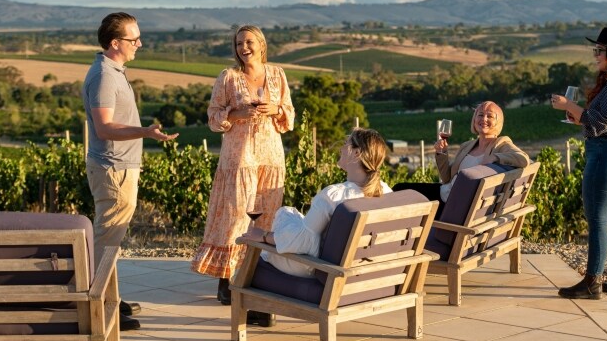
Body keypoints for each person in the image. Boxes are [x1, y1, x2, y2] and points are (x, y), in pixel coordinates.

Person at [82, 12, 179, 331]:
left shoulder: (114, 71)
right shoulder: (105, 76)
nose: (139, 43)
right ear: (115, 42)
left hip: (120, 167)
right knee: (107, 240)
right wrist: (146, 132)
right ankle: (99, 307)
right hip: (114, 169)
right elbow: (105, 127)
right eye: (133, 38)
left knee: (112, 238)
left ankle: (111, 298)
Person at [191, 25, 294, 311]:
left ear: (261, 44)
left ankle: (257, 277)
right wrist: (237, 114)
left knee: (267, 218)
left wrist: (276, 110)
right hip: (239, 156)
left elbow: (289, 112)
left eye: (249, 42)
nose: (243, 48)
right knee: (235, 216)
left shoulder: (277, 74)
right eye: (238, 43)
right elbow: (213, 116)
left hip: (271, 156)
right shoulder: (228, 77)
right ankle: (225, 282)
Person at [551, 27, 607, 300]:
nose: (595, 55)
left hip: (606, 155)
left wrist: (570, 105)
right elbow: (596, 119)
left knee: (597, 218)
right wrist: (578, 115)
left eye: (599, 51)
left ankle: (592, 281)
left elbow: (599, 123)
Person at [243, 127, 392, 280]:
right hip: (369, 275)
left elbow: (303, 241)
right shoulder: (388, 193)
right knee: (292, 218)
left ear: (356, 153)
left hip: (323, 271)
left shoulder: (334, 196)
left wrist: (264, 236)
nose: (341, 147)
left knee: (278, 229)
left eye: (346, 143)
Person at [393, 101, 530, 217]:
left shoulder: (501, 144)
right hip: (444, 192)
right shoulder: (467, 146)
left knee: (404, 201)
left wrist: (495, 157)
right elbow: (446, 178)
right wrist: (442, 153)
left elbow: (523, 159)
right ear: (474, 119)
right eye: (480, 115)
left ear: (498, 122)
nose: (484, 119)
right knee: (399, 189)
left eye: (490, 116)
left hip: (454, 206)